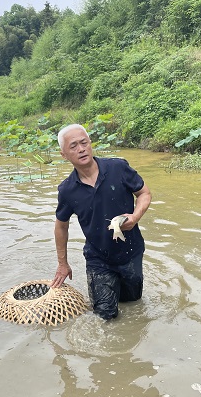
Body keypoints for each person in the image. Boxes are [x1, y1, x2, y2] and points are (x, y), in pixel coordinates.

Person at [50, 124, 152, 320]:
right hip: (98, 258)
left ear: (90, 144)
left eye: (84, 143)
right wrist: (63, 263)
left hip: (131, 252)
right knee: (105, 314)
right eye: (73, 146)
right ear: (64, 154)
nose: (81, 149)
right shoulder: (67, 190)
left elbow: (144, 193)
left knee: (133, 303)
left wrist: (135, 216)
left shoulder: (118, 167)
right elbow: (61, 225)